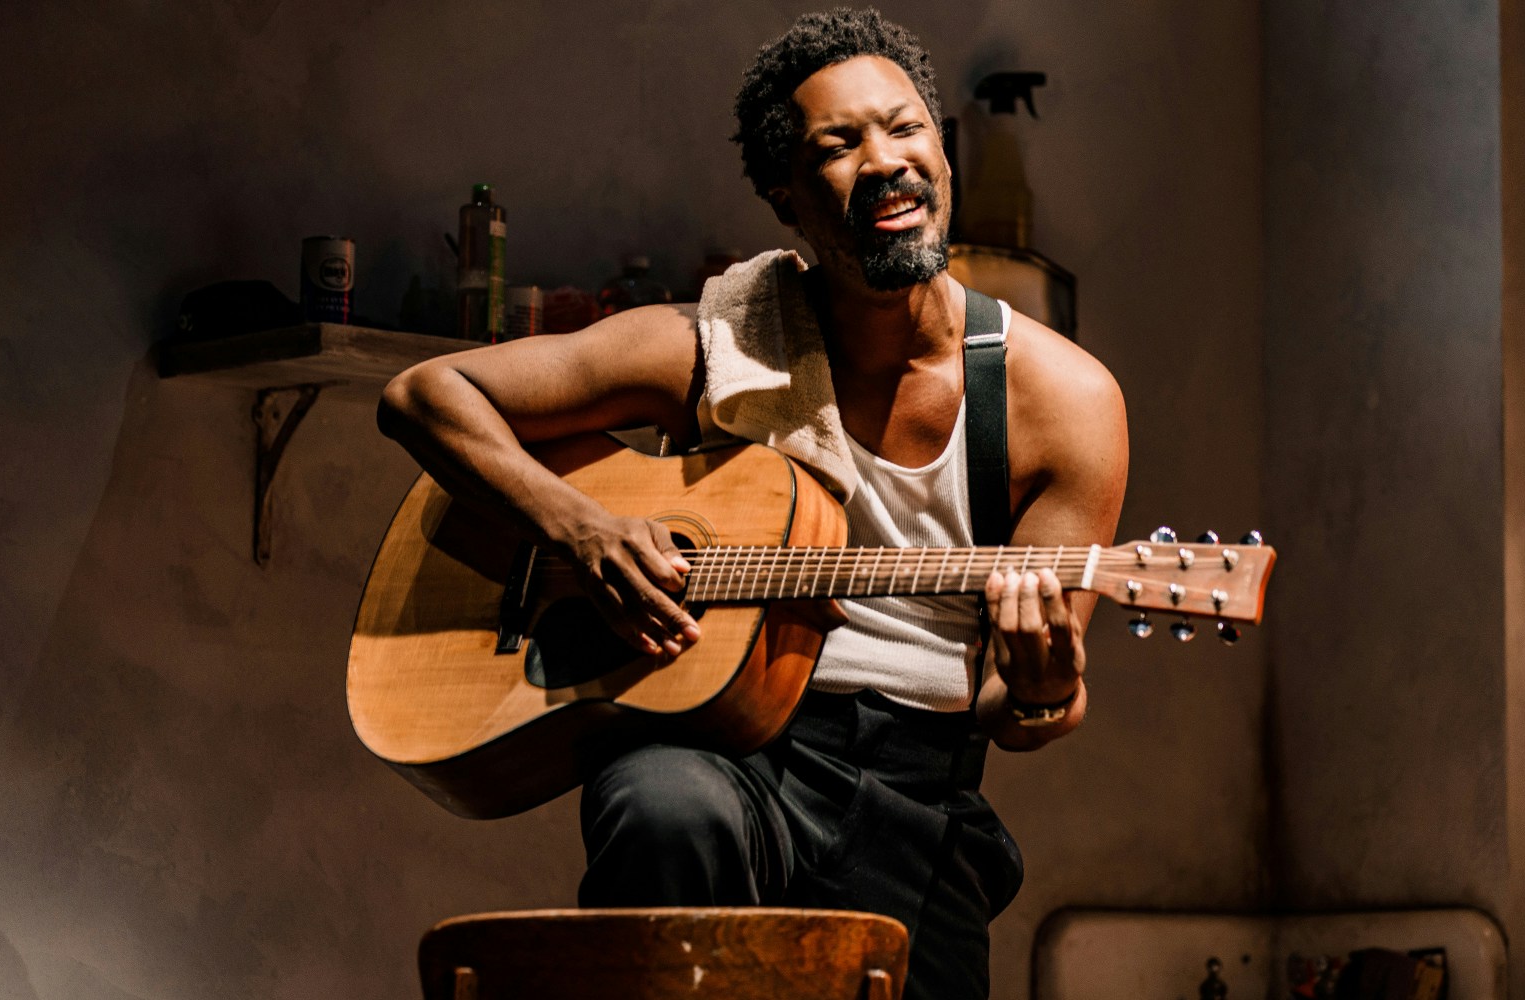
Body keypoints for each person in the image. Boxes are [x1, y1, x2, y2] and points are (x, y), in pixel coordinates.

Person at [377, 8, 1127, 998]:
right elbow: (426, 395)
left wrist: (1041, 687)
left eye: (905, 128)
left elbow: (1018, 712)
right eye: (839, 143)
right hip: (717, 744)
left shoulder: (1065, 404)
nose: (888, 160)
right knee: (661, 808)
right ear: (786, 196)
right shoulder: (713, 345)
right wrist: (581, 526)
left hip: (915, 790)